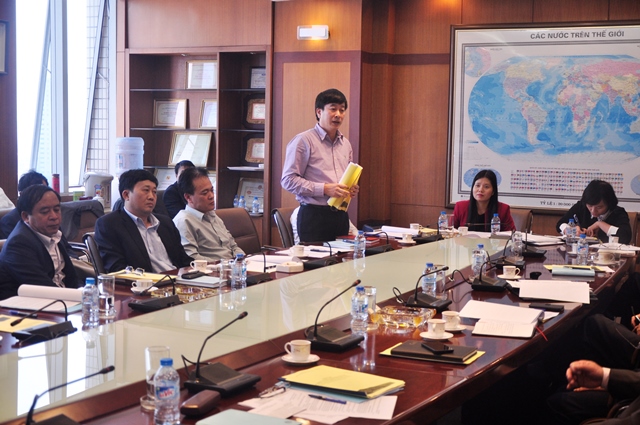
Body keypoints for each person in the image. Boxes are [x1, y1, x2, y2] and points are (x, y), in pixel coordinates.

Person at [281, 88, 359, 243]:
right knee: (315, 259)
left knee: (343, 259)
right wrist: (324, 189)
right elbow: (288, 180)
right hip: (313, 217)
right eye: (333, 109)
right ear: (319, 112)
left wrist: (351, 188)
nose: (338, 114)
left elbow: (344, 178)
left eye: (342, 110)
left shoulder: (346, 144)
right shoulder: (303, 141)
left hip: (340, 215)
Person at [94, 169, 192, 273]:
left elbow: (183, 260)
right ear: (126, 195)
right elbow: (117, 269)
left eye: (154, 192)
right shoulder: (109, 224)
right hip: (144, 282)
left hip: (179, 280)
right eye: (146, 190)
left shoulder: (165, 223)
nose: (151, 197)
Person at [0, 185, 80, 300]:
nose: (54, 217)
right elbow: (43, 288)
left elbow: (72, 278)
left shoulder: (53, 232)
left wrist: (85, 293)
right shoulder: (18, 244)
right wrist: (79, 297)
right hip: (31, 306)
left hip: (62, 299)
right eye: (45, 212)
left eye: (57, 210)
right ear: (26, 216)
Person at [173, 167, 244, 261]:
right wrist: (222, 265)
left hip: (231, 266)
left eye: (211, 190)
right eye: (205, 193)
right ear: (188, 197)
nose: (211, 196)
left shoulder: (212, 215)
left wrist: (242, 259)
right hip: (212, 268)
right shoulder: (183, 221)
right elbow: (192, 257)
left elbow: (233, 246)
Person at [556, 180, 631, 244]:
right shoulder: (581, 206)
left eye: (599, 207)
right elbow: (560, 224)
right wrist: (570, 230)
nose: (593, 211)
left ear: (609, 204)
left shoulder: (617, 213)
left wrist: (600, 224)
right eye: (590, 206)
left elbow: (625, 237)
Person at [0, 170, 48, 238]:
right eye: (37, 193)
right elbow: (15, 243)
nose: (43, 197)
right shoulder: (9, 221)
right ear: (22, 194)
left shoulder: (50, 216)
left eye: (45, 192)